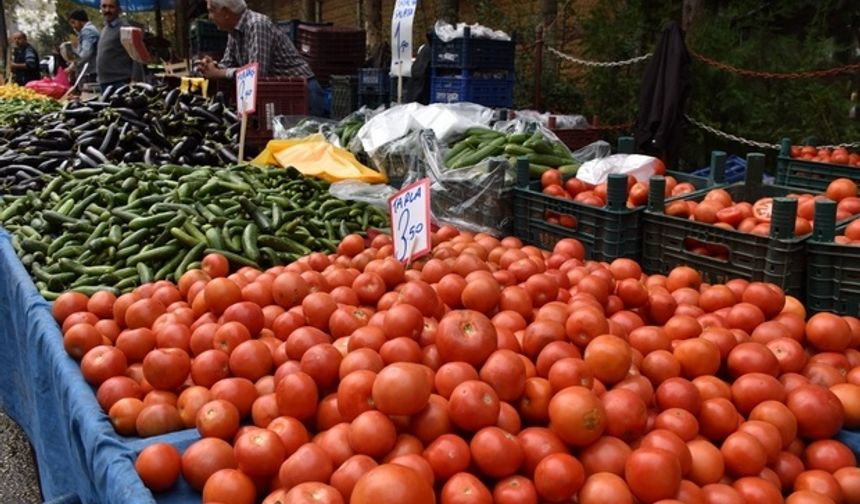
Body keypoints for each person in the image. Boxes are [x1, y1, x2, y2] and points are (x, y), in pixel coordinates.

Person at [197, 0, 324, 116]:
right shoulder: (233, 32)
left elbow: (256, 74)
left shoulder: (257, 25)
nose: (210, 17)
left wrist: (219, 72)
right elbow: (227, 64)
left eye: (211, 11)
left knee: (309, 138)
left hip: (303, 93)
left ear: (226, 12)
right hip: (284, 93)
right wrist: (212, 67)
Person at [96, 0, 136, 90]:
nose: (107, 10)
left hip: (120, 83)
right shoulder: (104, 29)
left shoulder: (125, 28)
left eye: (111, 7)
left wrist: (135, 80)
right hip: (104, 83)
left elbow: (136, 56)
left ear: (119, 9)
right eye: (104, 6)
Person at [68, 10, 100, 84]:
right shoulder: (86, 31)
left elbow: (85, 53)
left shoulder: (88, 31)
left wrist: (72, 67)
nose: (73, 26)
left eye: (74, 22)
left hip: (91, 73)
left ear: (80, 20)